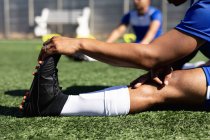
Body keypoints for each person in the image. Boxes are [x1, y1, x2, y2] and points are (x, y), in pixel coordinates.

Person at [20, 0, 210, 116]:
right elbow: (189, 45)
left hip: (151, 47)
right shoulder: (197, 4)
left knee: (164, 86)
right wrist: (166, 65)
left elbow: (152, 55)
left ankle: (53, 105)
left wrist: (80, 44)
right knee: (160, 78)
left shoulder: (205, 6)